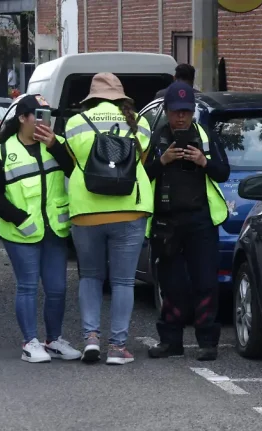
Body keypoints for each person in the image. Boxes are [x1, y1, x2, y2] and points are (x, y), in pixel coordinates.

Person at [63, 73, 153, 365]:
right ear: (121, 97)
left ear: (92, 97)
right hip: (130, 208)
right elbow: (141, 160)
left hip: (86, 210)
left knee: (90, 276)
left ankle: (91, 338)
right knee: (124, 281)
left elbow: (75, 161)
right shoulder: (140, 122)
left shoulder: (75, 124)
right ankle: (117, 347)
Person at [0, 94, 81, 363]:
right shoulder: (0, 153)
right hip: (20, 232)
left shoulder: (57, 144)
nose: (44, 122)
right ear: (22, 119)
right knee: (27, 286)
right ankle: (30, 342)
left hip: (55, 229)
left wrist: (54, 145)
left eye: (48, 116)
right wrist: (21, 219)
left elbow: (75, 171)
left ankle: (53, 340)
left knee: (58, 288)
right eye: (38, 116)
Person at [143, 81, 229, 361]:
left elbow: (223, 172)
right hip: (166, 222)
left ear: (193, 112)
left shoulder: (205, 137)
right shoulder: (154, 139)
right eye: (176, 111)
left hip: (200, 221)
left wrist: (204, 162)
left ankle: (207, 342)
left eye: (186, 111)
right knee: (172, 285)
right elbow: (140, 177)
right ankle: (170, 341)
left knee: (206, 282)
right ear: (167, 110)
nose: (181, 116)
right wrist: (162, 160)